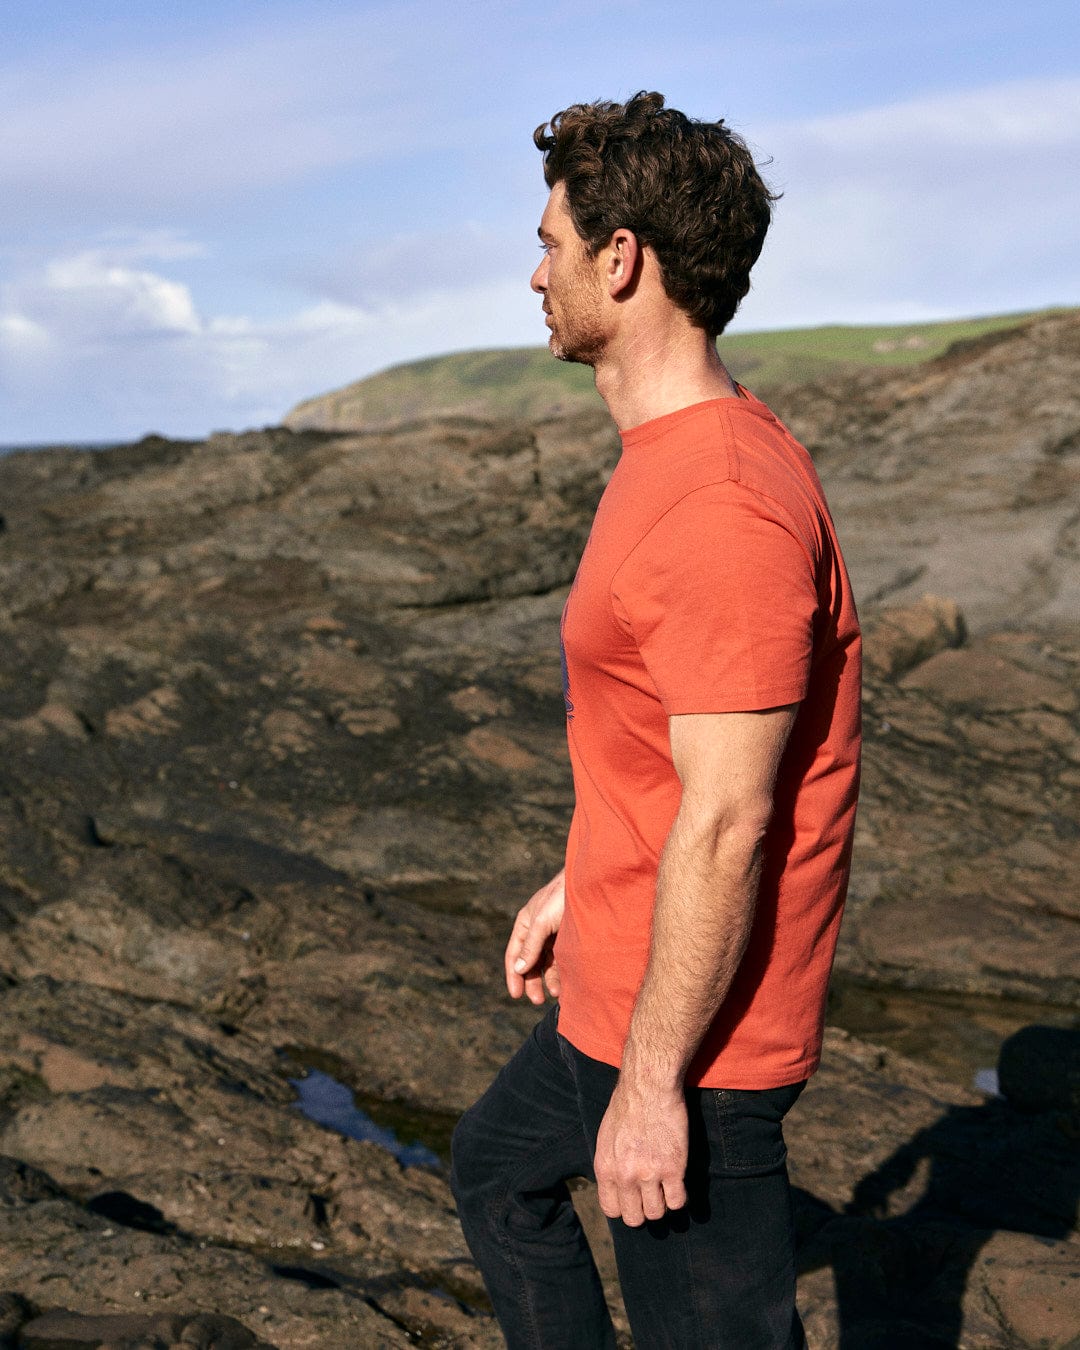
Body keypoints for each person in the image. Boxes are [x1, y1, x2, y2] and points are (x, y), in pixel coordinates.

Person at [451, 91, 861, 1349]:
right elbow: (676, 745)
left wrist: (653, 1092)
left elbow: (734, 815)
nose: (536, 273)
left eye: (552, 242)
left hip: (698, 1041)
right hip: (622, 972)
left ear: (620, 259)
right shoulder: (673, 459)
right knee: (496, 1170)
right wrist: (585, 880)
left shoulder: (720, 507)